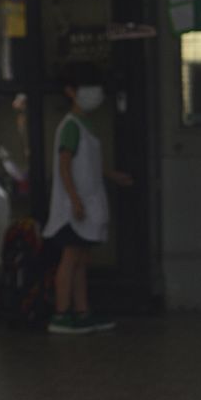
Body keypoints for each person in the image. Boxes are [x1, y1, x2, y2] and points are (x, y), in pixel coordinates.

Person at [44, 63, 132, 334]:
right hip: (75, 206)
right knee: (70, 258)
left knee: (81, 258)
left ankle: (82, 312)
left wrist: (111, 175)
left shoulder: (84, 125)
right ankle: (62, 313)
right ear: (71, 92)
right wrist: (74, 199)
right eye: (87, 87)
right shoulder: (70, 126)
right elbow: (64, 165)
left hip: (85, 202)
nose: (95, 93)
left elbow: (86, 163)